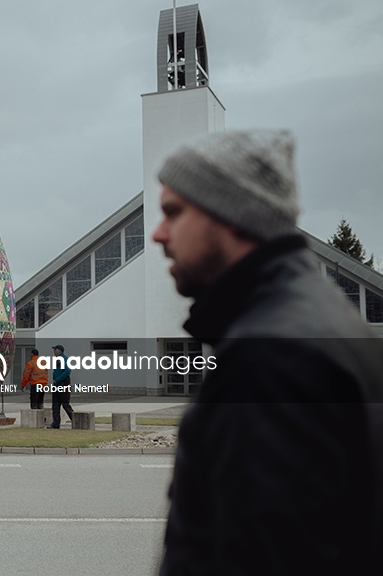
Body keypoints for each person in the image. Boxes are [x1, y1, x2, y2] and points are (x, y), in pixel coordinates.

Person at [152, 130, 383, 575]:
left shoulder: (270, 360)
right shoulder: (330, 322)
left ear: (232, 214)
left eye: (173, 213)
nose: (159, 234)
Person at [48, 344, 74, 428]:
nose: (53, 351)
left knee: (65, 404)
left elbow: (67, 371)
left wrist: (57, 379)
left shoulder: (64, 359)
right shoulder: (58, 359)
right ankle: (55, 424)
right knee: (55, 405)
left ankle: (76, 420)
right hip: (57, 385)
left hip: (63, 384)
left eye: (55, 349)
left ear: (59, 350)